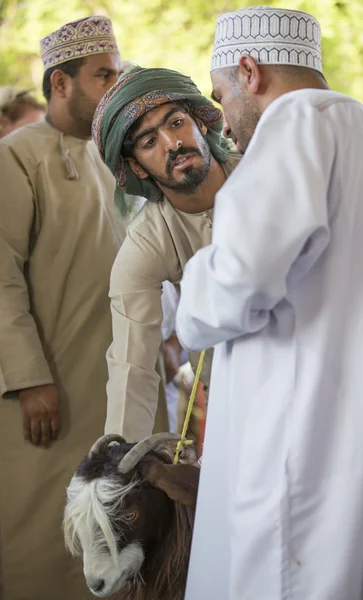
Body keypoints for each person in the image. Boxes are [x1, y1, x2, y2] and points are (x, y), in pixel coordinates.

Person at [176, 6, 363, 599]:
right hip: (346, 431)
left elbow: (241, 277)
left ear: (249, 70)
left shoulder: (297, 122)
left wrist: (184, 297)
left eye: (221, 98)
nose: (223, 122)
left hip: (294, 444)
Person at [0, 16, 122, 600]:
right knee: (40, 540)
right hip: (48, 393)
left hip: (117, 388)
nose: (114, 86)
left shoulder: (118, 155)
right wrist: (28, 379)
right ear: (60, 83)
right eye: (103, 75)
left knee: (119, 536)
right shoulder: (16, 157)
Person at [91, 66, 241, 442]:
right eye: (148, 142)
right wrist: (119, 462)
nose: (172, 143)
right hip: (233, 396)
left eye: (176, 123)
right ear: (137, 166)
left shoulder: (266, 173)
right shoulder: (147, 242)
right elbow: (132, 366)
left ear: (200, 123)